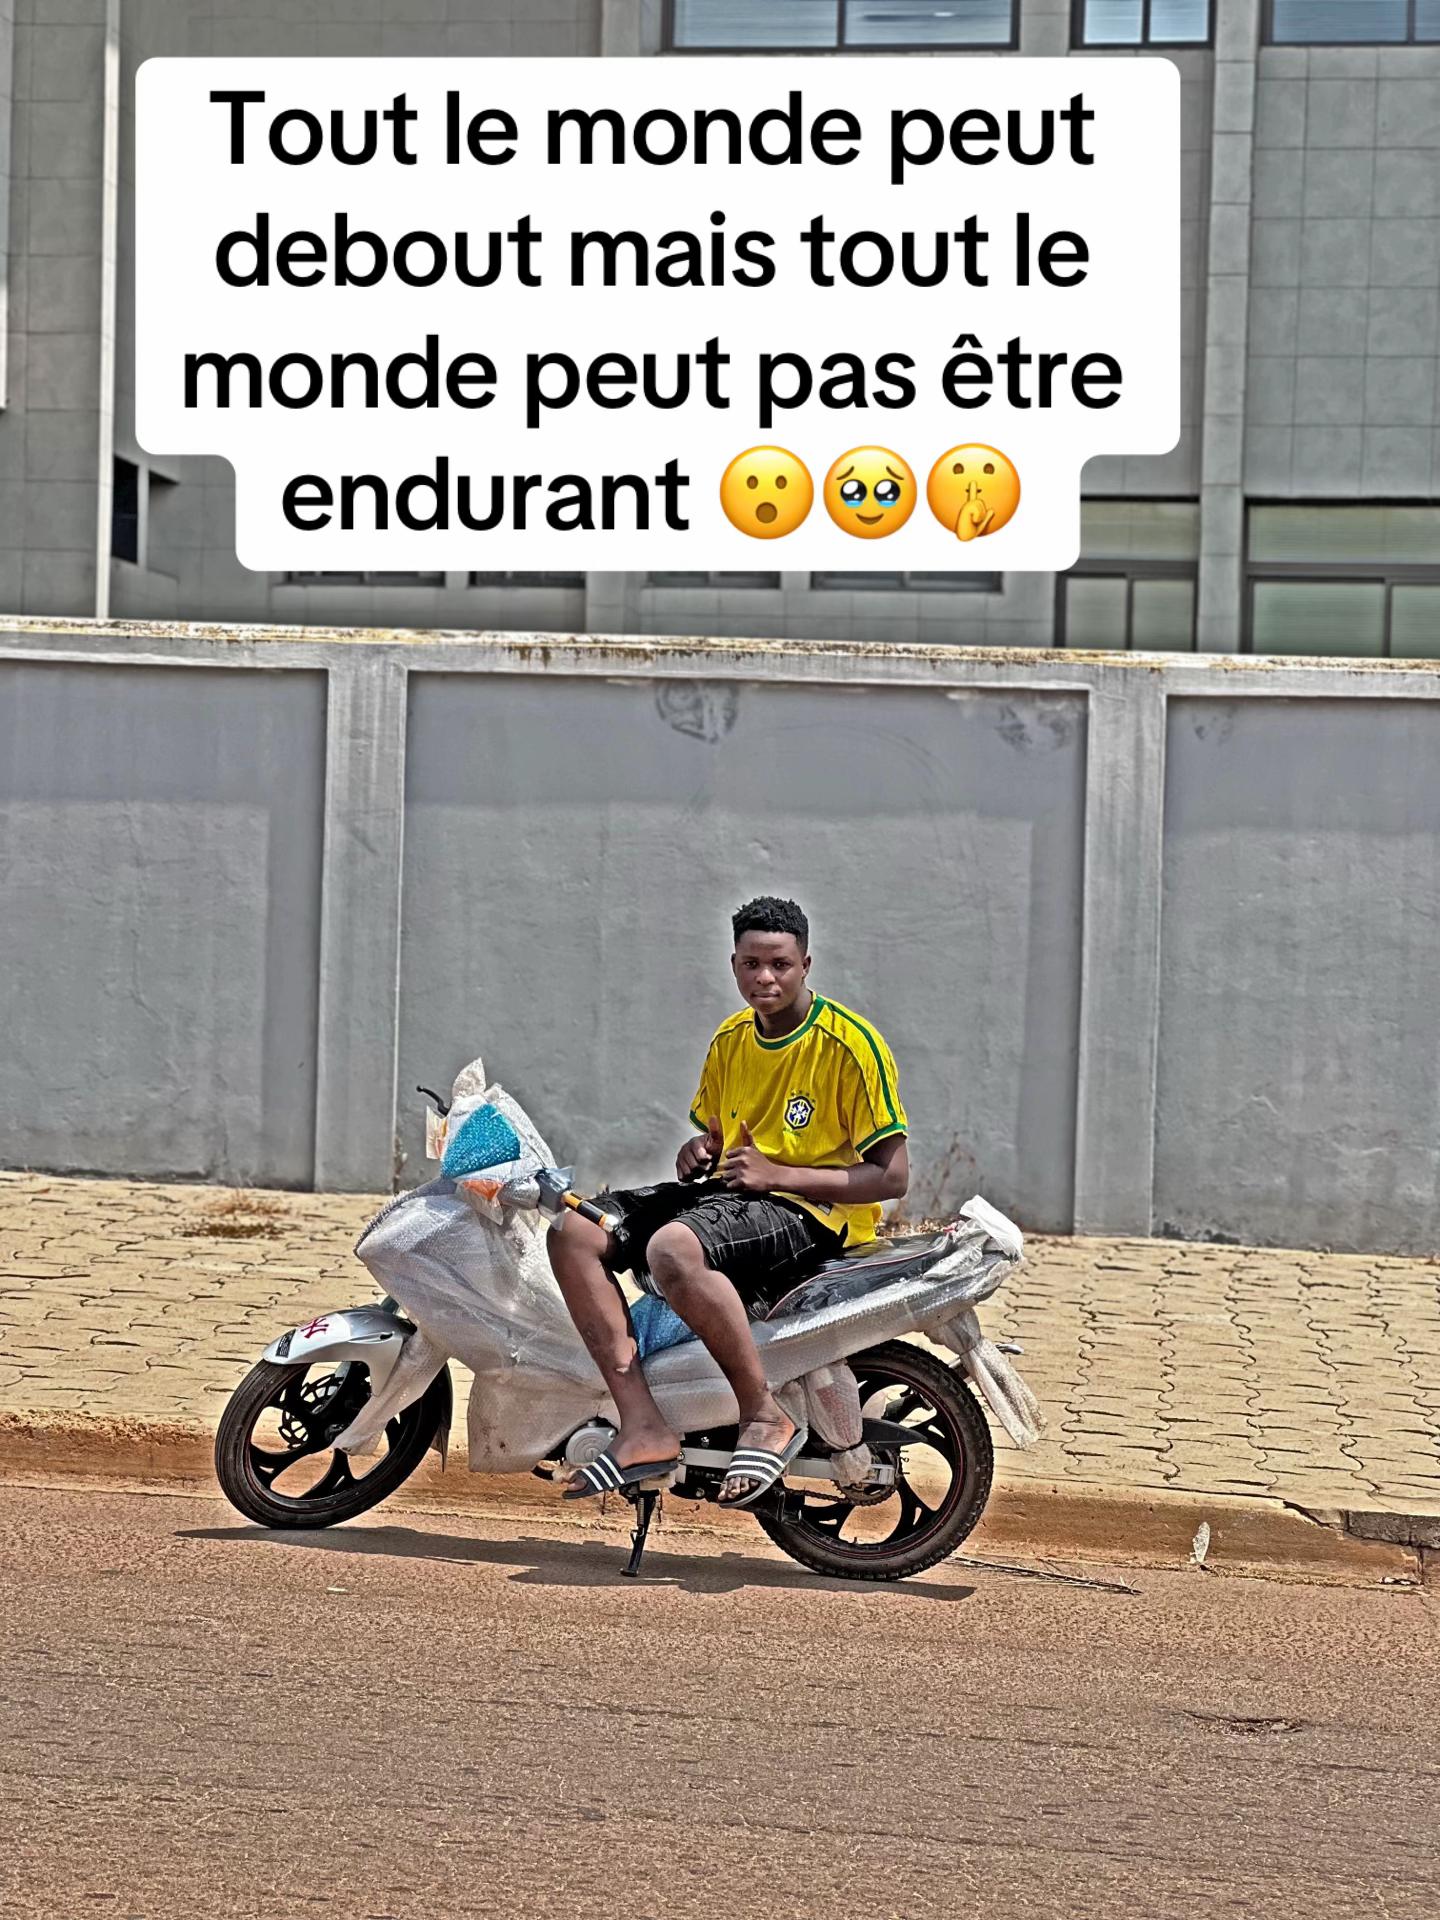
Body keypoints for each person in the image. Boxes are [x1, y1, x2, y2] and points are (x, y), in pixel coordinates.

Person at [546, 894, 909, 1508]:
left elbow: (892, 1177)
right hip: (737, 1196)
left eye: (780, 964)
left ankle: (762, 1413)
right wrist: (698, 1152)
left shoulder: (849, 1046)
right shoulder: (732, 1039)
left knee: (672, 1250)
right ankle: (643, 1424)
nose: (765, 978)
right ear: (734, 964)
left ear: (806, 965)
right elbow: (719, 1140)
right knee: (573, 1230)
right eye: (751, 964)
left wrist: (778, 1173)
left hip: (815, 1213)